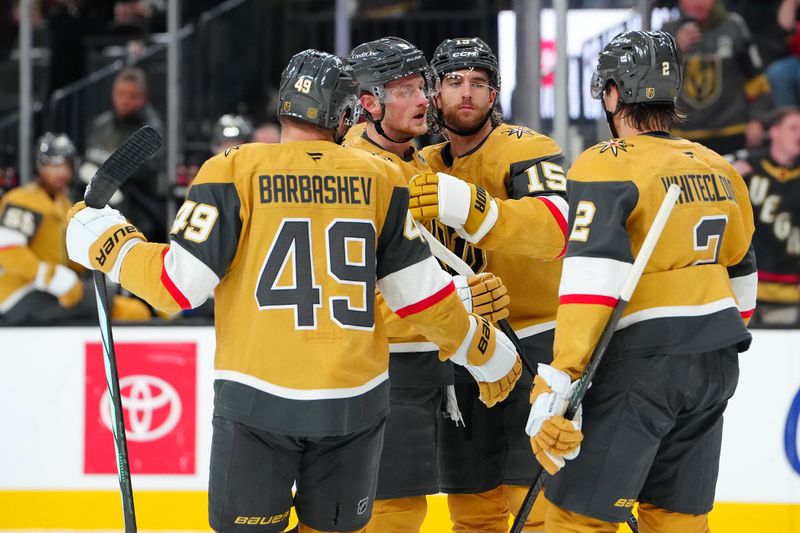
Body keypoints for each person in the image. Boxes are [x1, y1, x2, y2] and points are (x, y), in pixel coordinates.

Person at [65, 49, 522, 533]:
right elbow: (423, 299)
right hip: (354, 402)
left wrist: (109, 242)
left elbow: (178, 286)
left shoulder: (233, 169)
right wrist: (482, 348)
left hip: (258, 399)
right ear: (346, 112)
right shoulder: (380, 176)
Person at [528, 30, 756, 532]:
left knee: (576, 515)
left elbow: (593, 281)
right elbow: (743, 271)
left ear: (612, 93)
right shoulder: (719, 167)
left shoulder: (606, 163)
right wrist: (706, 336)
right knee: (678, 518)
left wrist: (561, 377)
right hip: (715, 361)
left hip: (644, 364)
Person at [346, 36, 513, 533]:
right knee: (391, 515)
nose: (424, 100)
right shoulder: (359, 172)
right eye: (404, 90)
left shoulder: (413, 163)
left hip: (427, 363)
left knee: (436, 508)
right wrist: (459, 301)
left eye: (422, 87)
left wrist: (469, 303)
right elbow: (353, 297)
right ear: (369, 103)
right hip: (381, 369)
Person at [409, 37, 569, 532]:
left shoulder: (530, 148)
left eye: (479, 83)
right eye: (455, 82)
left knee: (537, 507)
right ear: (434, 94)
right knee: (473, 510)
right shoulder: (422, 163)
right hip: (463, 346)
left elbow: (554, 228)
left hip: (535, 341)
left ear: (494, 94)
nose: (467, 94)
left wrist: (469, 204)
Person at [0, 132, 148, 325]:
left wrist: (105, 259)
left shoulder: (64, 204)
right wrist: (51, 277)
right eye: (54, 165)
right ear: (40, 166)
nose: (62, 172)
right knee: (130, 312)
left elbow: (74, 255)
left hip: (48, 292)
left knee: (124, 304)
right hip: (19, 294)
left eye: (66, 165)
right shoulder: (23, 199)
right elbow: (8, 251)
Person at [662, 0, 772, 155]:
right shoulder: (668, 30)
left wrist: (757, 119)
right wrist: (674, 51)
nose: (698, 2)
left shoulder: (733, 26)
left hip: (731, 132)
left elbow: (757, 81)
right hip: (683, 136)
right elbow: (656, 85)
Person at [79, 66, 166, 240]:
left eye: (132, 96)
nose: (124, 100)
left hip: (138, 211)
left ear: (144, 98)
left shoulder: (150, 131)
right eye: (120, 93)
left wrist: (99, 168)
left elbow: (140, 173)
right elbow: (84, 163)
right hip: (96, 208)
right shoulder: (101, 125)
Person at [733, 106, 800, 326]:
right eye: (793, 128)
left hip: (789, 292)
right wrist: (729, 177)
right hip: (746, 287)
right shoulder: (745, 168)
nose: (799, 133)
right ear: (774, 132)